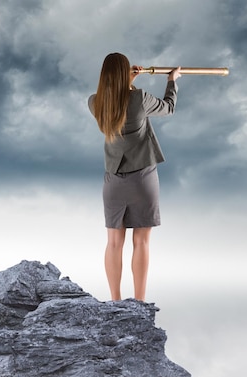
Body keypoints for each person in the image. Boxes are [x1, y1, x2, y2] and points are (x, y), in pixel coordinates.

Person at [88, 53, 181, 301]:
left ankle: (115, 301)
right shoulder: (139, 98)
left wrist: (127, 82)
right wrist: (172, 81)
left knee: (114, 243)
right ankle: (139, 302)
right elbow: (168, 107)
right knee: (141, 242)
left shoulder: (95, 103)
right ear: (124, 73)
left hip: (113, 182)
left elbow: (118, 103)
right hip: (143, 179)